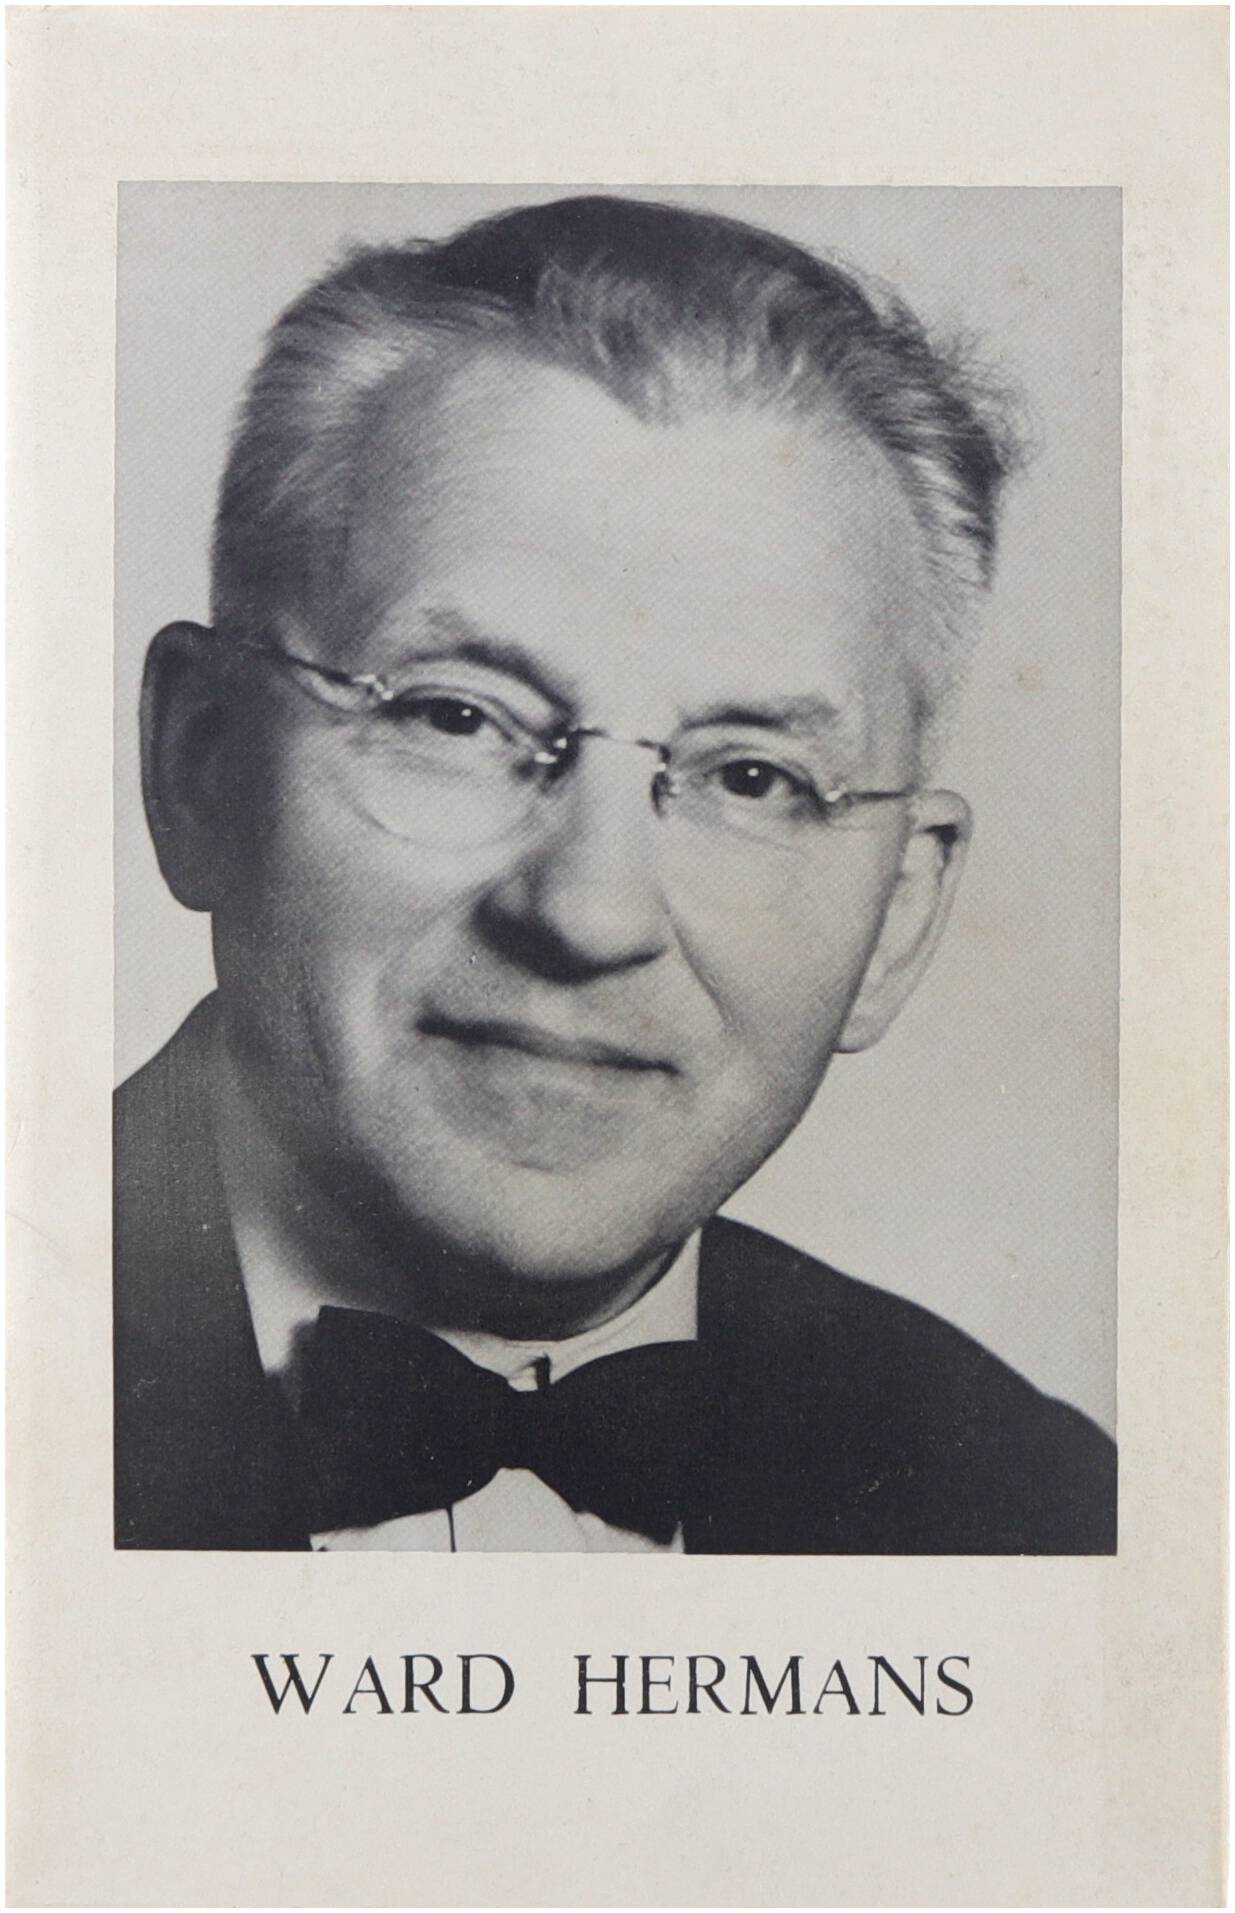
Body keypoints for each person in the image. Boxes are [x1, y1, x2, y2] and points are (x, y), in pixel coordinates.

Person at [115, 193, 1116, 1553]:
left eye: (751, 777)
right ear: (201, 764)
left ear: (897, 917)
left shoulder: (1040, 1504)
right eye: (455, 717)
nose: (590, 912)